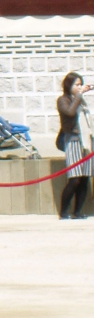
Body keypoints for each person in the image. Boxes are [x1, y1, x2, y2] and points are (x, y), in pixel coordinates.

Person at [56, 72, 93, 220]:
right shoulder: (63, 100)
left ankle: (77, 212)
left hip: (86, 141)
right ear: (69, 85)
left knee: (84, 178)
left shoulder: (80, 100)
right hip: (73, 140)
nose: (79, 87)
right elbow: (70, 113)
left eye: (80, 85)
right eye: (76, 85)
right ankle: (63, 211)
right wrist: (79, 95)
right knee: (75, 178)